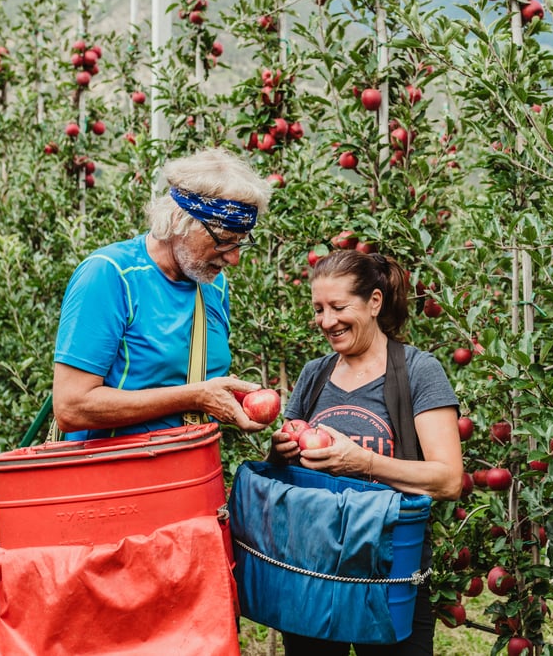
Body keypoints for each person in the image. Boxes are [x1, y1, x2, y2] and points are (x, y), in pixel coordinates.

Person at [269, 248, 464, 656]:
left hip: (391, 568)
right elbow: (290, 471)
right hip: (315, 569)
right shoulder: (314, 375)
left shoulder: (417, 371)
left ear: (374, 302)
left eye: (339, 307)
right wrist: (283, 451)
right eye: (319, 309)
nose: (327, 321)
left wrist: (365, 462)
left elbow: (448, 479)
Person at [52, 147, 273, 440]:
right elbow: (71, 407)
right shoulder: (110, 275)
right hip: (117, 475)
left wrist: (222, 397)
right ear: (180, 222)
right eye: (224, 241)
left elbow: (192, 383)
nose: (233, 259)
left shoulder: (212, 284)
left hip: (188, 471)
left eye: (241, 243)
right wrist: (195, 397)